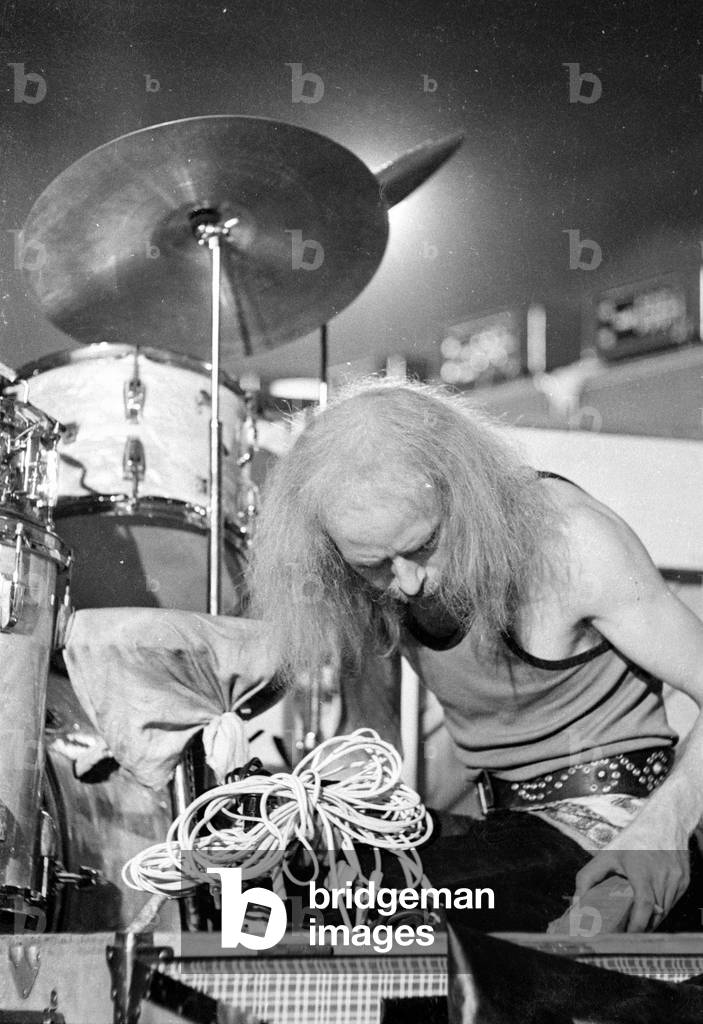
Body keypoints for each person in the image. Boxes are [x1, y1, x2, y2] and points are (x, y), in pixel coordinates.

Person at [247, 379, 703, 932]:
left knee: (378, 902)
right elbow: (372, 737)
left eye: (422, 547)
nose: (408, 583)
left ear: (462, 492)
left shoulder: (570, 541)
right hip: (506, 829)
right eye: (375, 564)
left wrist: (666, 828)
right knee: (279, 887)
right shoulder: (364, 574)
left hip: (619, 825)